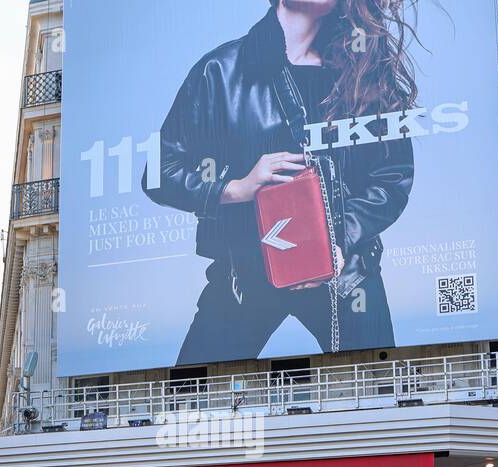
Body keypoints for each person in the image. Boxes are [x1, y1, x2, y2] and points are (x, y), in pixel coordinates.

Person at [142, 0, 418, 362]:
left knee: (378, 400)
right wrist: (235, 189)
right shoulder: (221, 71)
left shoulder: (366, 72)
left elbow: (391, 177)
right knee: (191, 399)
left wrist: (336, 238)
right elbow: (160, 171)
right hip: (243, 273)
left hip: (346, 273)